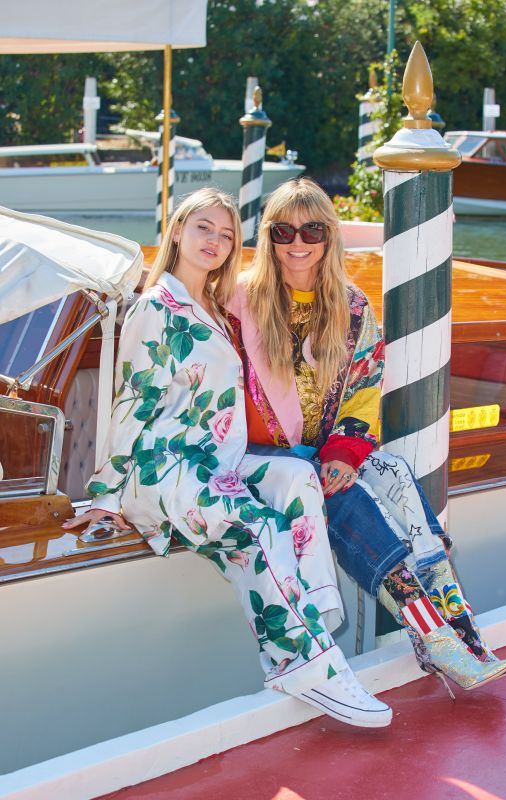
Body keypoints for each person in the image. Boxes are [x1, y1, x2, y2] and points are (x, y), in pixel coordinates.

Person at [62, 187, 392, 728]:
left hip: (214, 461)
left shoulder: (213, 308)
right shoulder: (156, 306)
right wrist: (106, 494)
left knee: (297, 478)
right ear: (176, 232)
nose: (214, 240)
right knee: (256, 522)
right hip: (162, 466)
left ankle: (314, 617)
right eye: (203, 228)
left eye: (225, 233)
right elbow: (131, 403)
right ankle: (301, 661)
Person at [226, 177, 506, 693]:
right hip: (260, 456)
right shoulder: (240, 302)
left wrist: (344, 452)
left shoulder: (351, 307)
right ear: (267, 237)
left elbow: (363, 388)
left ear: (329, 236)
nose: (297, 243)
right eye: (283, 231)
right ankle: (430, 635)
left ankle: (460, 624)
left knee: (396, 473)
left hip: (323, 450)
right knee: (348, 499)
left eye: (311, 230)